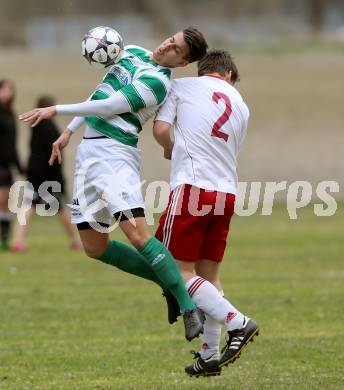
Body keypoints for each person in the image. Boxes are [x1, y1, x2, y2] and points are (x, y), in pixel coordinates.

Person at [19, 27, 208, 342]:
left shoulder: (158, 84)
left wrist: (57, 109)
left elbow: (111, 107)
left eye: (175, 49)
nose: (167, 45)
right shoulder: (131, 50)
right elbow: (99, 95)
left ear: (182, 63)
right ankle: (169, 282)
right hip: (89, 155)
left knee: (137, 234)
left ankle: (189, 306)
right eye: (170, 39)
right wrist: (69, 131)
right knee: (94, 247)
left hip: (115, 155)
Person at [153, 50, 259, 376]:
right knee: (208, 276)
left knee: (174, 267)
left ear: (206, 70)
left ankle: (237, 322)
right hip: (226, 193)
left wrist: (169, 148)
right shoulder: (241, 104)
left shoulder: (182, 87)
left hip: (193, 188)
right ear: (228, 74)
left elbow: (159, 129)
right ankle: (210, 354)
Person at [11, 95, 81, 253]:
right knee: (62, 207)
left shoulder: (35, 126)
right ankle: (76, 240)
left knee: (28, 206)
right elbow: (54, 153)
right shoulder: (49, 126)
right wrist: (59, 178)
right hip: (49, 176)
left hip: (34, 174)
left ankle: (17, 241)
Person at [0, 79, 24, 251]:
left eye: (11, 89)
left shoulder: (10, 113)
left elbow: (12, 144)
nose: (9, 92)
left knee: (5, 204)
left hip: (6, 164)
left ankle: (5, 239)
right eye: (5, 89)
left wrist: (19, 166)